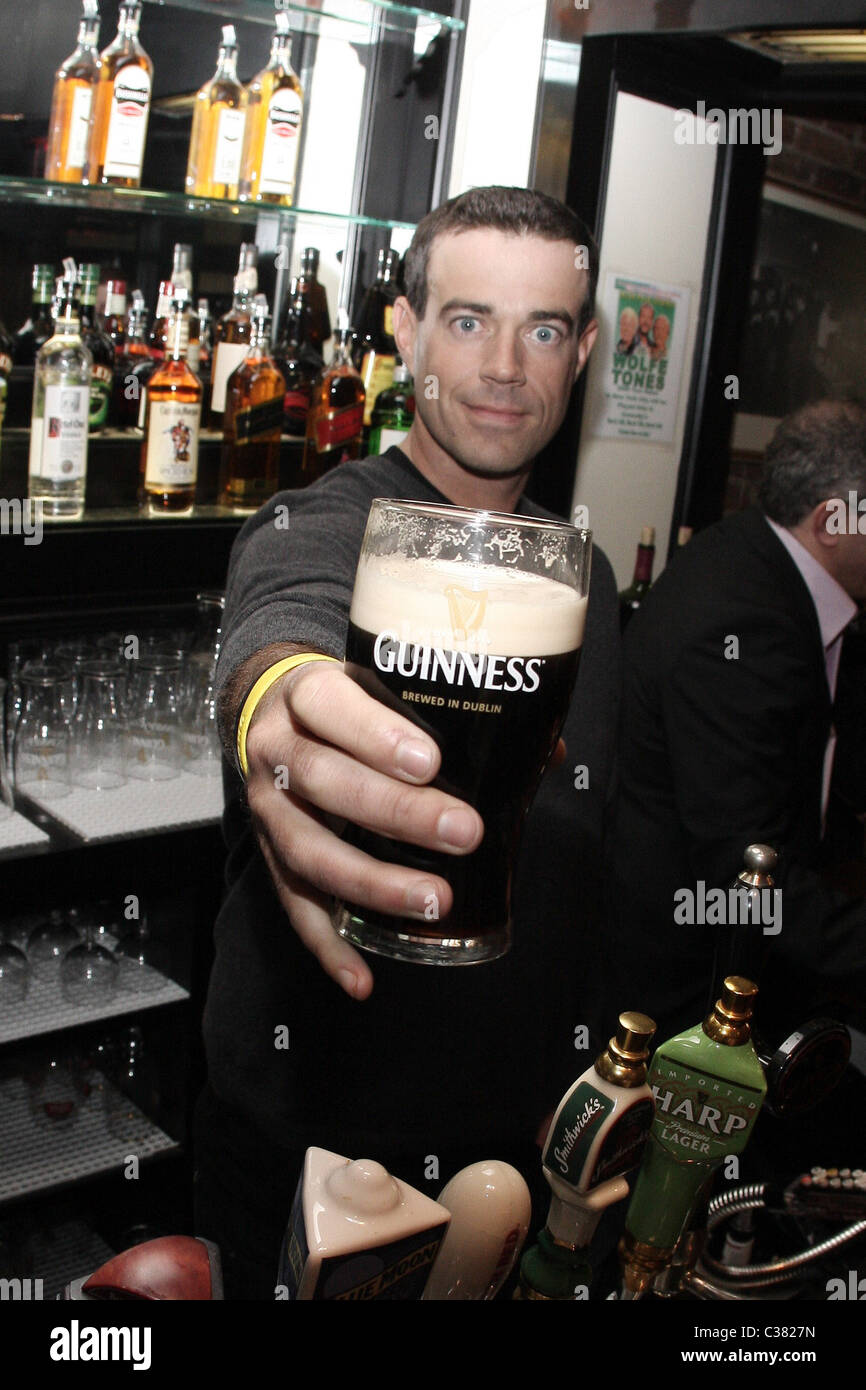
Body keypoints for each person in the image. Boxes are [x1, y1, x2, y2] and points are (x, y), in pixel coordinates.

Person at [194, 186, 622, 1298]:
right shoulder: (329, 524)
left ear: (579, 353)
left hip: (497, 1152)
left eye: (541, 330)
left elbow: (579, 856)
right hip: (307, 1136)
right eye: (468, 319)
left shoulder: (583, 580)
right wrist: (276, 704)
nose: (502, 367)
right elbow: (281, 627)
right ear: (405, 333)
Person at [608, 398, 866, 1048]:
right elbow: (742, 877)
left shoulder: (755, 556)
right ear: (831, 520)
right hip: (681, 1004)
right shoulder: (742, 623)